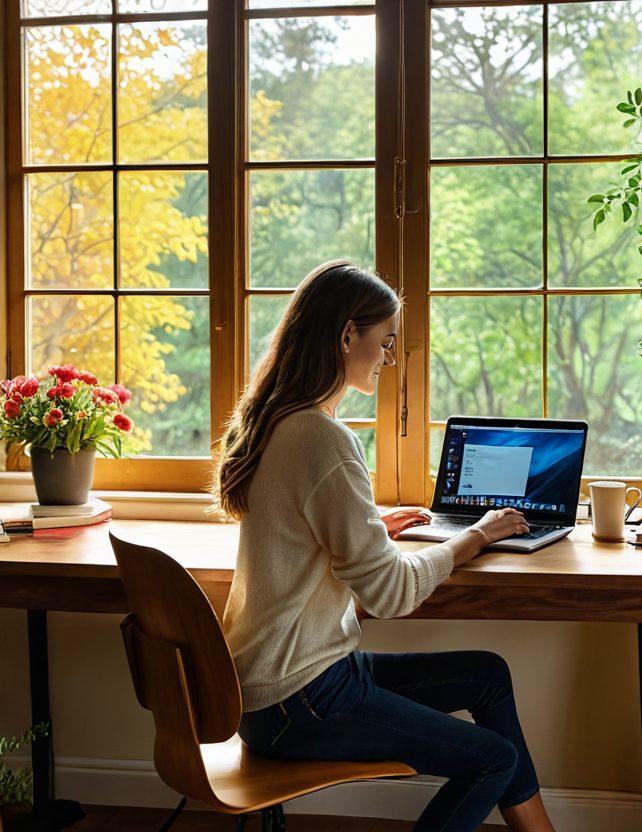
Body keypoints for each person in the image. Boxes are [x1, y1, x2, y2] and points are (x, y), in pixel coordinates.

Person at [215, 261, 556, 832]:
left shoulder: (275, 420)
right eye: (385, 342)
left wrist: (369, 522)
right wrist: (474, 537)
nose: (389, 358)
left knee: (488, 674)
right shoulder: (324, 439)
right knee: (493, 761)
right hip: (300, 698)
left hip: (274, 685)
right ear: (348, 335)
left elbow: (296, 522)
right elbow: (392, 594)